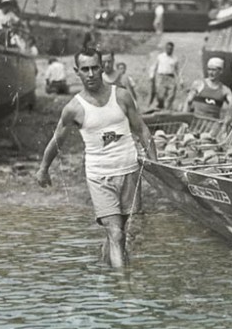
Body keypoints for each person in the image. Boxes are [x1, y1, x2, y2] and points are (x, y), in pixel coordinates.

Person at [37, 48, 157, 268]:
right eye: (85, 69)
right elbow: (57, 140)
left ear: (102, 67)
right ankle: (124, 290)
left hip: (129, 170)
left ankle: (106, 273)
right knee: (116, 233)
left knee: (119, 231)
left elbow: (141, 129)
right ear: (77, 72)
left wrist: (154, 163)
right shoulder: (73, 108)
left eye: (94, 68)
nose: (91, 73)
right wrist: (43, 168)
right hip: (99, 175)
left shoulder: (120, 95)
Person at [149, 41, 180, 110]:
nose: (169, 50)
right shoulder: (160, 57)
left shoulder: (175, 58)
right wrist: (152, 76)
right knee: (160, 96)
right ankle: (160, 106)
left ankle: (167, 109)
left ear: (173, 49)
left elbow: (177, 70)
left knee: (171, 95)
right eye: (168, 48)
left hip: (171, 77)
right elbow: (154, 66)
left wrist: (181, 80)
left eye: (171, 49)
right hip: (161, 77)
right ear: (165, 48)